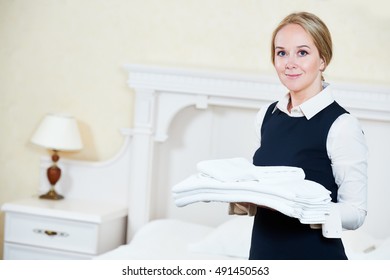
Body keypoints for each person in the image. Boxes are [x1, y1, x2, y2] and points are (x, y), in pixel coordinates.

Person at [230, 11, 368, 260]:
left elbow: (356, 212)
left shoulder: (341, 125)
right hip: (262, 258)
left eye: (302, 52)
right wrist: (240, 195)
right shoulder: (266, 115)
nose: (289, 62)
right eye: (281, 52)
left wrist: (303, 208)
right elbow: (263, 190)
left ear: (323, 60)